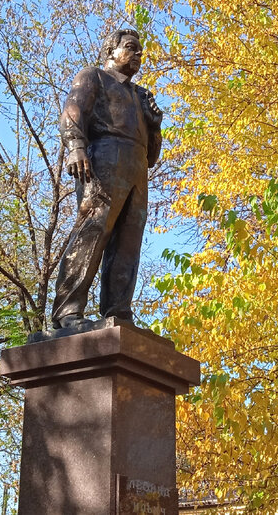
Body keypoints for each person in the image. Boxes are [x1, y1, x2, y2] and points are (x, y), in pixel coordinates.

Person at [48, 28, 163, 334]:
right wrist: (75, 147)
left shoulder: (141, 96)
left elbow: (152, 156)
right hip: (103, 157)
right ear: (110, 52)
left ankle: (118, 311)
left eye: (140, 49)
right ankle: (68, 311)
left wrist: (155, 126)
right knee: (94, 229)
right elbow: (73, 112)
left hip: (136, 166)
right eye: (131, 47)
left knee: (128, 241)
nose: (138, 54)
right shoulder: (93, 76)